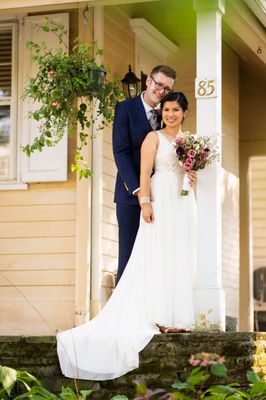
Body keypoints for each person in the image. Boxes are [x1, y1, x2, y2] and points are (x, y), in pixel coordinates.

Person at [57, 91, 197, 381]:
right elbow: (144, 174)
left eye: (175, 110)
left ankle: (177, 317)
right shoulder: (153, 138)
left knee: (179, 254)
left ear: (184, 112)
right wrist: (145, 202)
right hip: (160, 200)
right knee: (155, 253)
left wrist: (193, 177)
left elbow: (191, 172)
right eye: (166, 109)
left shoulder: (191, 142)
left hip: (183, 201)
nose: (170, 114)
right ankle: (156, 313)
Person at [113, 65, 176, 283]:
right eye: (159, 85)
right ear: (149, 81)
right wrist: (139, 191)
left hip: (160, 197)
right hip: (129, 195)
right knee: (128, 256)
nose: (161, 91)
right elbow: (120, 151)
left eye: (167, 89)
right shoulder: (125, 108)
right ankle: (121, 313)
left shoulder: (166, 115)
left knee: (154, 256)